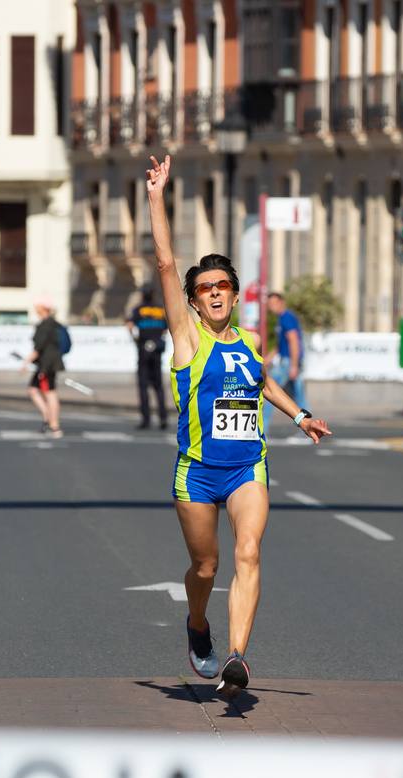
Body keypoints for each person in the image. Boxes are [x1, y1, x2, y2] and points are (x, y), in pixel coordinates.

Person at [145, 153, 331, 700]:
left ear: (236, 289)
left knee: (249, 552)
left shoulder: (248, 341)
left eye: (224, 284)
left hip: (248, 465)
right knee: (205, 566)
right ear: (194, 299)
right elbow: (162, 264)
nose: (217, 293)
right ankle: (197, 624)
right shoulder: (188, 340)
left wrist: (298, 416)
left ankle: (236, 657)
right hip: (197, 474)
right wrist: (157, 197)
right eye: (205, 288)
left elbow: (263, 384)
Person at [129, 290, 170, 429]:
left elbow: (129, 325)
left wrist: (135, 339)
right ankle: (163, 418)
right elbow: (166, 327)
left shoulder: (139, 309)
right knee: (158, 386)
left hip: (143, 350)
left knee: (143, 386)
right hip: (157, 350)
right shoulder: (160, 309)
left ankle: (146, 419)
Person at [25, 301, 65, 437]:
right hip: (48, 364)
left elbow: (39, 347)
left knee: (50, 393)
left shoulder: (45, 325)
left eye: (38, 306)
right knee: (33, 389)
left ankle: (54, 426)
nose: (35, 308)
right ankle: (47, 418)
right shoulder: (54, 323)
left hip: (46, 365)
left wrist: (26, 362)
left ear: (44, 308)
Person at [266, 291, 306, 408]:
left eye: (274, 303)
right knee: (298, 396)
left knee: (271, 391)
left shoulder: (287, 318)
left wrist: (293, 365)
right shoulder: (281, 319)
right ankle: (310, 424)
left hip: (288, 362)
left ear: (282, 303)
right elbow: (281, 344)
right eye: (270, 304)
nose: (271, 307)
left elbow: (293, 341)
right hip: (289, 361)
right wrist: (268, 359)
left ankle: (262, 425)